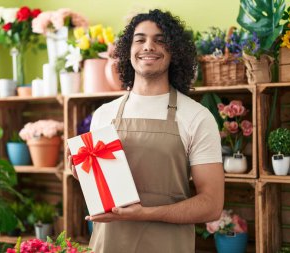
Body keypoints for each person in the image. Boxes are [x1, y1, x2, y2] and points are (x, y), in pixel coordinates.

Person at [67, 9, 224, 253]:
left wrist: (145, 214)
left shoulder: (197, 117)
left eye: (160, 40)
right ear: (127, 51)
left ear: (174, 52)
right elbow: (106, 194)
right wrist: (86, 176)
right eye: (139, 39)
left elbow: (211, 205)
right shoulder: (104, 115)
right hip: (108, 245)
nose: (148, 46)